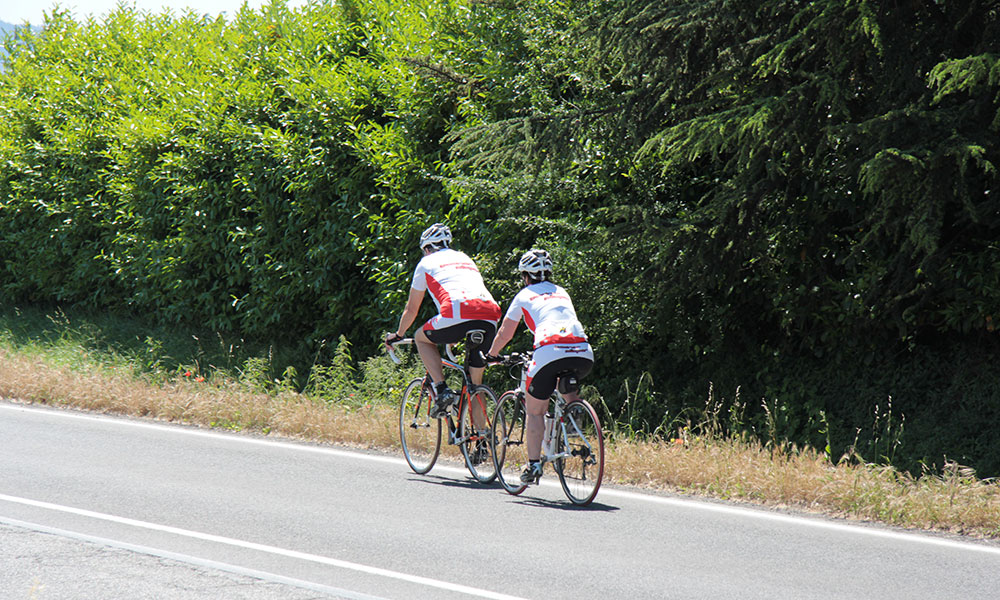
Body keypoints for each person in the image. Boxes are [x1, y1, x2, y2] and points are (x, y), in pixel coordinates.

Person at [486, 249, 594, 484]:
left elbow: (505, 332)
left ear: (526, 276)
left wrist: (492, 355)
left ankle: (533, 464)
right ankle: (573, 414)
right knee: (566, 386)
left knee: (535, 411)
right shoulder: (561, 292)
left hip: (549, 350)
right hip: (583, 350)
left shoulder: (524, 294)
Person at [384, 223, 501, 418]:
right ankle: (481, 443)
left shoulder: (425, 264)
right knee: (475, 384)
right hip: (490, 315)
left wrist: (398, 335)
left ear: (427, 248)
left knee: (421, 338)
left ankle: (442, 388)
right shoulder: (465, 258)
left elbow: (411, 309)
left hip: (457, 312)